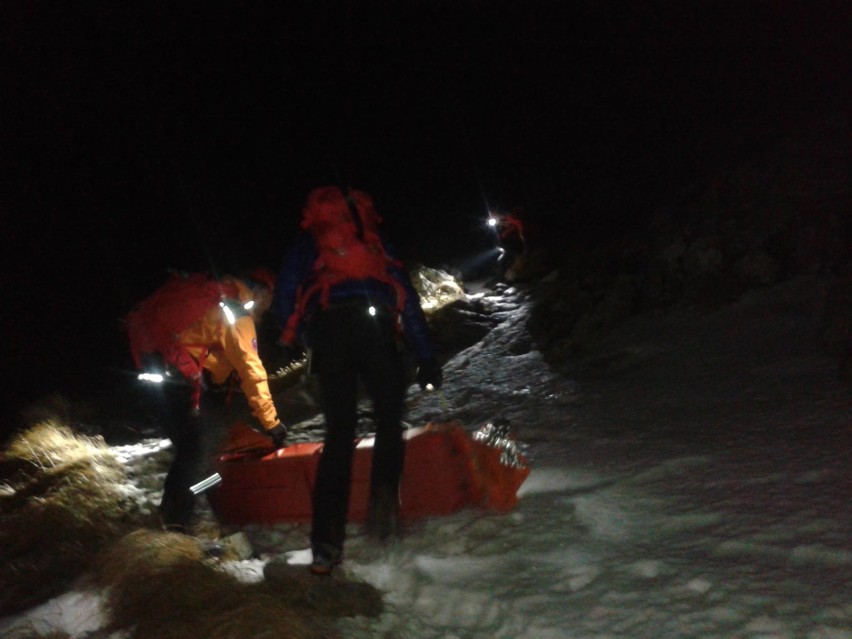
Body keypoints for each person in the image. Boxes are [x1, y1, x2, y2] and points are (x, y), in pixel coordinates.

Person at [275, 186, 442, 575]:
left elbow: (286, 290)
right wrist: (426, 356)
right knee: (388, 420)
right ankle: (383, 518)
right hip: (376, 326)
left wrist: (294, 337)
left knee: (338, 434)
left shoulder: (308, 240)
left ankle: (326, 546)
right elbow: (406, 295)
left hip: (330, 329)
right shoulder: (373, 237)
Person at [127, 268, 287, 533]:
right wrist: (271, 422)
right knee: (200, 449)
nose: (269, 306)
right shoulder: (235, 313)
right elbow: (252, 370)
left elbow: (204, 351)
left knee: (193, 452)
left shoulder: (210, 299)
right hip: (177, 380)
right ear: (259, 294)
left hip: (153, 376)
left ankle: (187, 511)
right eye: (270, 297)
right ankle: (175, 522)